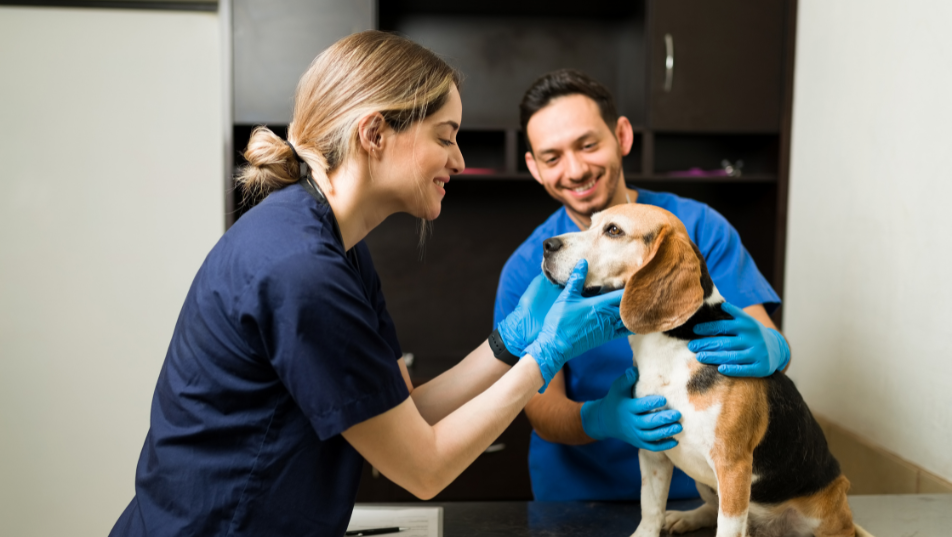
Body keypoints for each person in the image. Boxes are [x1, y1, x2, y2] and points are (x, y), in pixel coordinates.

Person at [109, 34, 632, 537]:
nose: (459, 160)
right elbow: (423, 468)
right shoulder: (302, 271)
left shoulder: (339, 247)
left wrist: (512, 339)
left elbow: (410, 416)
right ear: (375, 133)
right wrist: (544, 356)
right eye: (445, 136)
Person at [493, 69, 790, 502]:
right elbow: (539, 408)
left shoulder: (696, 230)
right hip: (579, 499)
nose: (575, 170)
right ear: (534, 168)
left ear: (622, 136)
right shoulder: (531, 269)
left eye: (588, 144)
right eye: (552, 157)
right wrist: (600, 418)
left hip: (700, 492)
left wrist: (773, 348)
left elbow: (767, 343)